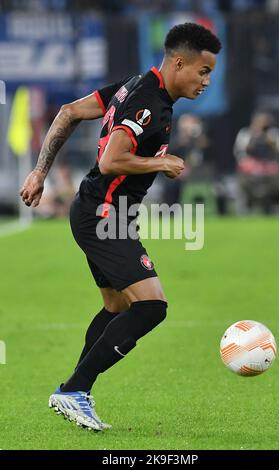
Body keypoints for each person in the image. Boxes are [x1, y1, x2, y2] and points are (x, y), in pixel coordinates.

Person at [20, 22, 221, 431]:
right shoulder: (149, 103)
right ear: (179, 63)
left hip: (102, 210)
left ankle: (75, 392)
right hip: (105, 214)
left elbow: (69, 112)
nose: (206, 81)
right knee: (151, 307)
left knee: (117, 307)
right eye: (202, 71)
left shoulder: (134, 85)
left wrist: (41, 172)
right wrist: (159, 162)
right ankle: (74, 390)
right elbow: (112, 159)